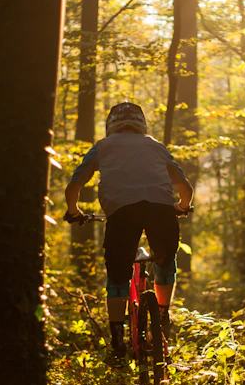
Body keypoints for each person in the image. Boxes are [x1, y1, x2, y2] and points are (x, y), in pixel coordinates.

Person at [64, 101, 193, 358]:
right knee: (165, 263)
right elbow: (185, 188)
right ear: (141, 124)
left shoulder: (102, 147)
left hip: (122, 213)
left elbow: (74, 186)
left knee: (117, 276)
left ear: (111, 126)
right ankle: (162, 319)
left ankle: (117, 344)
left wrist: (74, 212)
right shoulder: (156, 146)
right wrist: (182, 206)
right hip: (161, 211)